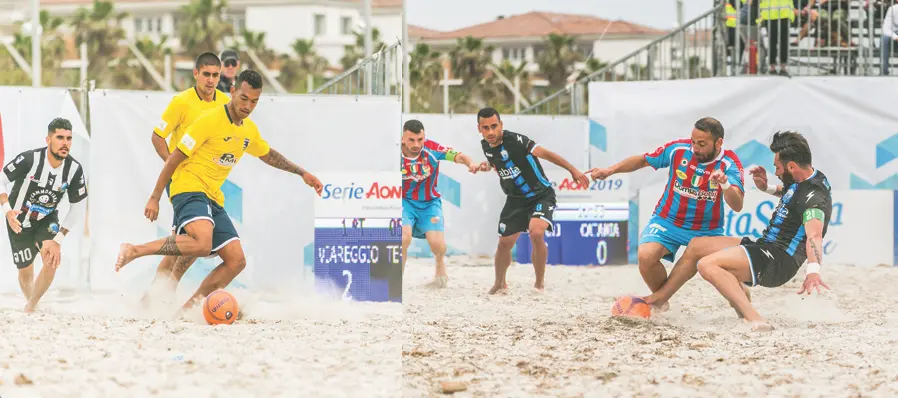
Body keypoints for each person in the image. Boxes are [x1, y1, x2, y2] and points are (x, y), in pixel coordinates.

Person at [114, 69, 323, 314]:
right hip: (187, 186)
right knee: (201, 243)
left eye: (254, 101)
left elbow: (268, 154)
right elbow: (173, 159)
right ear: (232, 92)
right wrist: (155, 197)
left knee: (236, 261)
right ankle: (134, 250)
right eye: (244, 98)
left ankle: (187, 311)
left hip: (212, 196)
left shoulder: (248, 130)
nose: (248, 106)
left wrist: (302, 173)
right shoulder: (208, 121)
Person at [589, 117, 745, 311]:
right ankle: (661, 303)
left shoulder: (729, 163)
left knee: (726, 276)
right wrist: (610, 170)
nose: (695, 148)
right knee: (646, 256)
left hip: (707, 230)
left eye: (702, 144)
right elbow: (642, 160)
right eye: (693, 141)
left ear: (719, 142)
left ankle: (742, 302)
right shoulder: (678, 150)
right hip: (668, 220)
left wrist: (725, 184)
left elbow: (737, 204)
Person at [690, 131, 831, 332]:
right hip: (766, 246)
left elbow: (814, 235)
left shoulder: (814, 198)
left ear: (792, 166)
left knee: (707, 265)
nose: (776, 171)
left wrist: (813, 271)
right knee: (698, 246)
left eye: (777, 167)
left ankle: (755, 319)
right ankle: (660, 299)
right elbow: (791, 193)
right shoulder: (804, 177)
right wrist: (767, 188)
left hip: (779, 260)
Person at [144, 52, 231, 308]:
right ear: (196, 74)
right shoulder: (181, 102)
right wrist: (174, 165)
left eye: (216, 75)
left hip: (210, 186)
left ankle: (160, 293)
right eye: (206, 74)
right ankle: (156, 294)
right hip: (185, 184)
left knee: (190, 245)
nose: (211, 80)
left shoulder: (225, 103)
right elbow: (157, 136)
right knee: (188, 242)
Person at [475, 107, 588, 294]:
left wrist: (573, 170)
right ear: (479, 128)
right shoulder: (486, 146)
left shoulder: (517, 140)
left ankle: (539, 283)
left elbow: (547, 154)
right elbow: (497, 162)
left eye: (494, 126)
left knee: (536, 233)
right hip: (515, 200)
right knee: (504, 244)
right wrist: (487, 165)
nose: (491, 132)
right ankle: (499, 283)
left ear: (501, 125)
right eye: (485, 128)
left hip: (541, 195)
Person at [0, 118, 88, 313]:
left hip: (47, 220)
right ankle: (33, 301)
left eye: (69, 138)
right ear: (48, 140)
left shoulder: (74, 169)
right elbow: (1, 179)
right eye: (60, 138)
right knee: (25, 273)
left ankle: (31, 307)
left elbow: (78, 206)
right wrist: (7, 211)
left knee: (51, 259)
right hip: (19, 221)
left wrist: (59, 238)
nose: (65, 143)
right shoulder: (30, 159)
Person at [400, 119, 479, 288]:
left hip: (430, 203)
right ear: (403, 139)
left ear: (424, 137)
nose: (416, 144)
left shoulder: (432, 149)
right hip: (405, 202)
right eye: (411, 140)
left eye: (420, 139)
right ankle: (395, 279)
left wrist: (470, 163)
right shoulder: (394, 154)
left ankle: (439, 262)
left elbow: (459, 156)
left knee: (437, 245)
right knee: (402, 238)